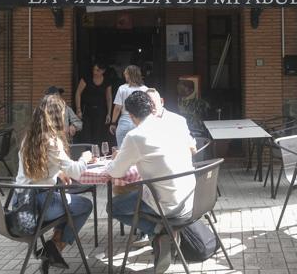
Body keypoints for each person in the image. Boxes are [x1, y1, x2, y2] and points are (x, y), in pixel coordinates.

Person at [107, 91, 196, 273]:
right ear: (151, 107)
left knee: (113, 207)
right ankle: (161, 234)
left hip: (166, 205)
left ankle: (158, 231)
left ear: (131, 116)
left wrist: (115, 159)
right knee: (136, 192)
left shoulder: (135, 136)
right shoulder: (173, 126)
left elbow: (116, 171)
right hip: (191, 200)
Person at [16, 93, 94, 270]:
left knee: (67, 202)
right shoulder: (52, 140)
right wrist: (85, 158)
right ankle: (56, 247)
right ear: (58, 116)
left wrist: (57, 172)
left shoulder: (28, 138)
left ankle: (53, 245)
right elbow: (75, 171)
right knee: (83, 206)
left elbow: (37, 168)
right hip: (39, 207)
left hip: (20, 203)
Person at [147, 88, 197, 155]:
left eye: (153, 103)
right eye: (147, 106)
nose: (151, 108)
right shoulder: (145, 123)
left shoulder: (178, 121)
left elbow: (192, 150)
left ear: (161, 102)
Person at [109, 65, 148, 146]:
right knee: (139, 150)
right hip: (140, 121)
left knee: (121, 150)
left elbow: (117, 108)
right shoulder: (145, 89)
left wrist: (113, 123)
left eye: (126, 73)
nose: (124, 75)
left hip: (125, 121)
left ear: (130, 75)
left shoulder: (122, 88)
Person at [75, 61, 112, 144]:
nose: (95, 72)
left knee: (98, 134)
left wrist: (109, 113)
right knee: (86, 134)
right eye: (94, 70)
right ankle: (87, 153)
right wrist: (78, 110)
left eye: (98, 70)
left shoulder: (107, 80)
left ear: (103, 71)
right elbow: (78, 93)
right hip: (87, 109)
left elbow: (109, 98)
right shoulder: (86, 78)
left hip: (100, 110)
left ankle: (96, 154)